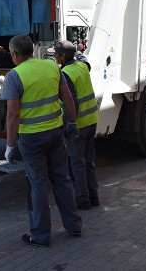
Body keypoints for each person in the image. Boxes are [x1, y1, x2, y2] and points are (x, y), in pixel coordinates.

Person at [1, 34, 82, 247]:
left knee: (38, 185)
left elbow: (13, 115)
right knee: (62, 180)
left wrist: (10, 146)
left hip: (31, 138)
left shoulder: (14, 76)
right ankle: (74, 225)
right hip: (55, 132)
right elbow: (67, 98)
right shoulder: (52, 66)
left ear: (15, 55)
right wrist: (72, 124)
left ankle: (40, 235)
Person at [48, 40, 100, 210]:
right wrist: (75, 49)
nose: (54, 57)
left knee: (77, 163)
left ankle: (82, 200)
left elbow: (72, 102)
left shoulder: (66, 73)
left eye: (56, 54)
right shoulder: (83, 67)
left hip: (79, 124)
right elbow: (83, 59)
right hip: (92, 120)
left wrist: (70, 125)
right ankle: (94, 196)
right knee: (89, 162)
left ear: (62, 56)